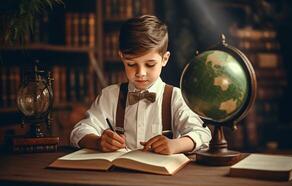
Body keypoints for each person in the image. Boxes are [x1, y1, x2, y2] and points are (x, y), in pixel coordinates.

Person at [70, 15, 211, 155]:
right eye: (131, 64)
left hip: (162, 176)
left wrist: (175, 145)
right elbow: (79, 131)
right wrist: (98, 141)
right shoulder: (110, 96)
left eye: (150, 64)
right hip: (118, 174)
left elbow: (203, 134)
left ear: (165, 59)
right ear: (122, 57)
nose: (140, 73)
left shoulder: (175, 97)